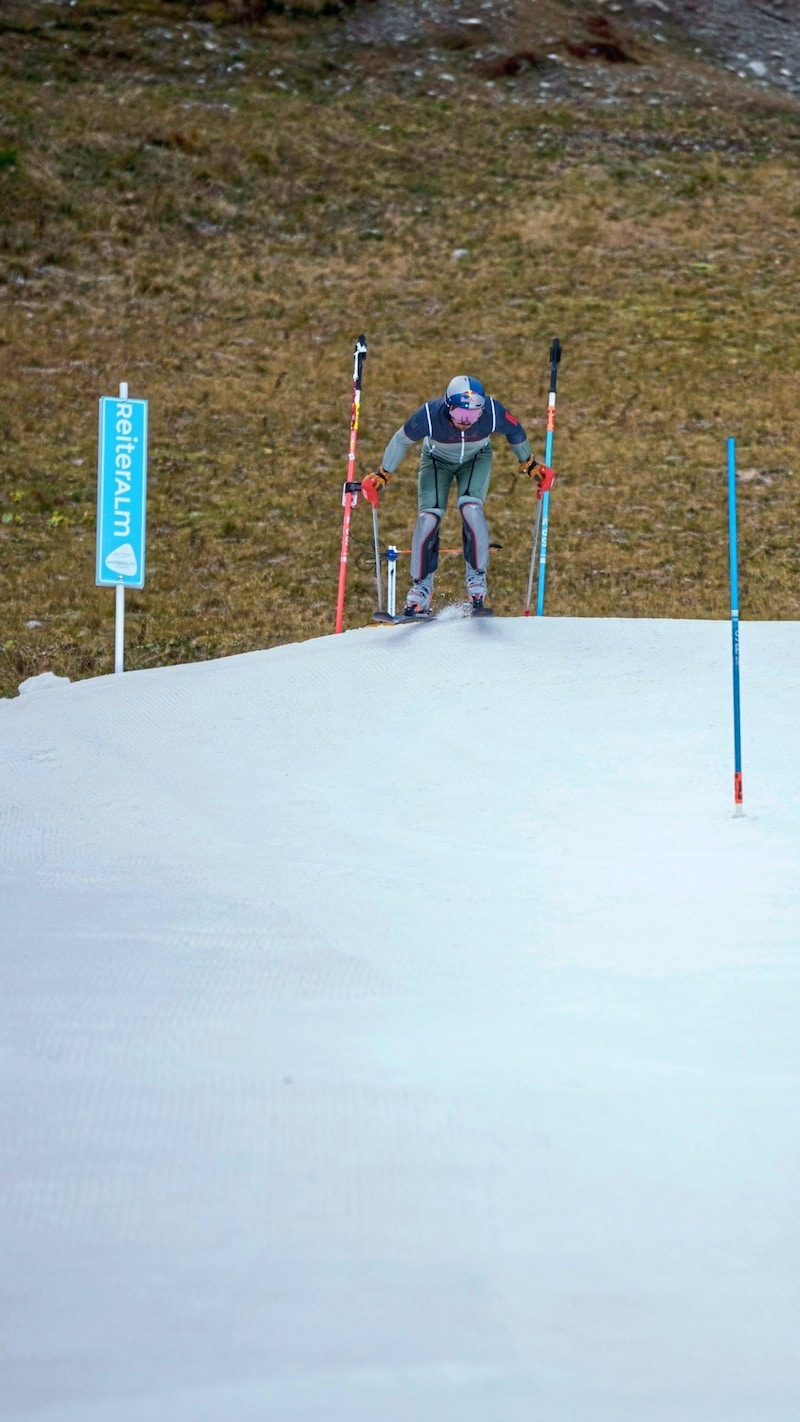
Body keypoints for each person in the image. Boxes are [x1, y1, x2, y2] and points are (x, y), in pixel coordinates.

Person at [361, 375, 555, 616]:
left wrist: (529, 463)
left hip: (476, 459)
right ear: (448, 405)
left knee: (471, 507)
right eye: (460, 414)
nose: (466, 421)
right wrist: (384, 473)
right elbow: (402, 439)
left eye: (473, 415)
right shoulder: (430, 415)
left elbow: (514, 430)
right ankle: (421, 588)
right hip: (435, 461)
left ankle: (476, 580)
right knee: (428, 517)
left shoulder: (492, 412)